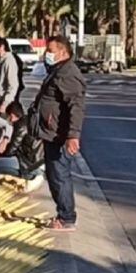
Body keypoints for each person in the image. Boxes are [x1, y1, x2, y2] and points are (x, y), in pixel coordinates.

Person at [31, 35, 87, 231]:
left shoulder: (68, 73)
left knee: (60, 176)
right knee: (54, 175)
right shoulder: (58, 70)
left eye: (51, 51)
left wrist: (73, 135)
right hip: (50, 132)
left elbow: (76, 107)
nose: (47, 54)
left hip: (59, 135)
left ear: (63, 52)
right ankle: (62, 214)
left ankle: (66, 218)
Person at [0, 103, 45, 193]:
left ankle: (32, 177)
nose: (8, 120)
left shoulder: (20, 125)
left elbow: (13, 147)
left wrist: (2, 154)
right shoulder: (29, 120)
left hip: (32, 164)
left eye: (8, 117)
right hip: (41, 160)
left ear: (12, 115)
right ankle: (33, 175)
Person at [0, 35, 24, 115]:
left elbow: (13, 85)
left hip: (4, 101)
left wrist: (5, 103)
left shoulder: (9, 61)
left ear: (2, 47)